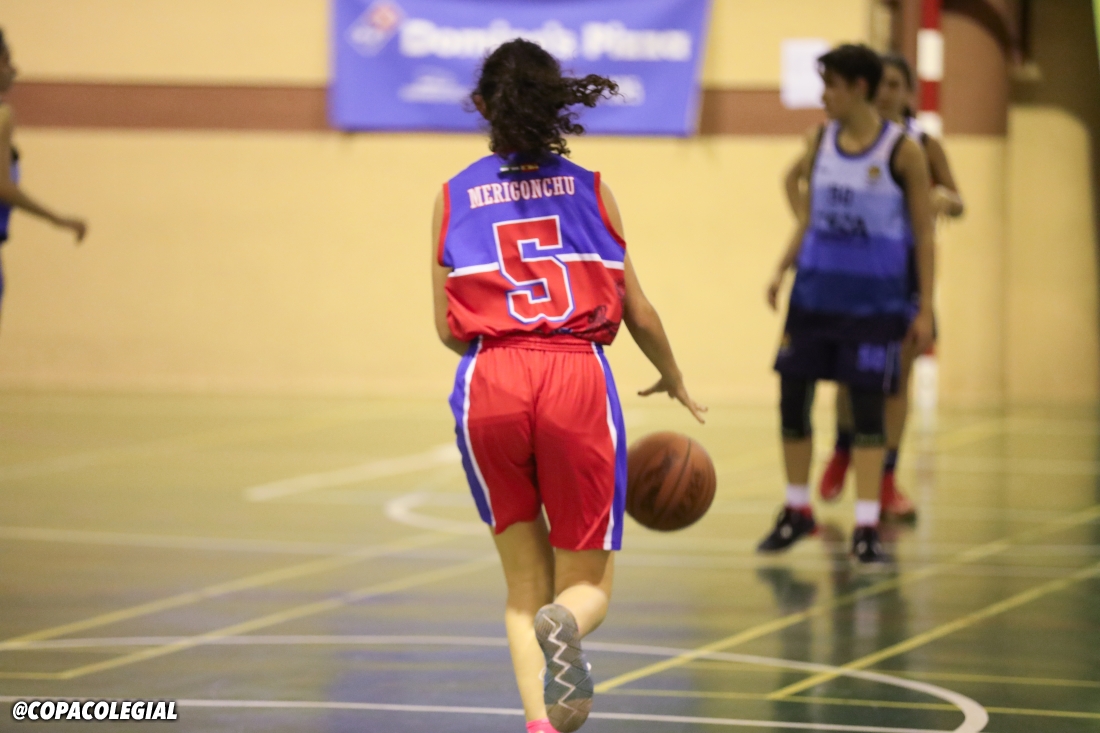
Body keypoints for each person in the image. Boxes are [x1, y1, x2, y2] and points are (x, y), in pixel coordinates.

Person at [430, 39, 704, 733]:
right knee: (584, 586)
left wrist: (502, 354)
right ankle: (569, 622)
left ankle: (541, 725)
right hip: (574, 373)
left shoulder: (452, 196)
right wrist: (672, 375)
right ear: (555, 105)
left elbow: (446, 328)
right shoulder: (593, 190)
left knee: (523, 585)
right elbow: (639, 312)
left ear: (482, 106)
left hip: (489, 377)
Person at [759, 44, 935, 563]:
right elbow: (810, 215)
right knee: (793, 401)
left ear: (859, 87)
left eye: (831, 85)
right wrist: (782, 267)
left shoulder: (903, 151)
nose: (823, 96)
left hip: (874, 305)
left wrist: (924, 308)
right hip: (813, 296)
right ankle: (797, 509)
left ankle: (866, 525)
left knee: (867, 413)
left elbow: (924, 234)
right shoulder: (819, 141)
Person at [816, 53, 964, 520]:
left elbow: (958, 199)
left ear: (909, 93)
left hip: (903, 277)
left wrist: (944, 200)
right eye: (882, 83)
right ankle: (843, 448)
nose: (887, 92)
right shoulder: (843, 137)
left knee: (897, 378)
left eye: (897, 85)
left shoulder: (922, 144)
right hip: (856, 274)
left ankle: (885, 478)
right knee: (850, 371)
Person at [0, 28, 87, 300]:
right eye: (6, 62)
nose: (14, 70)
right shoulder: (2, 116)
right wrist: (56, 218)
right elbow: (3, 187)